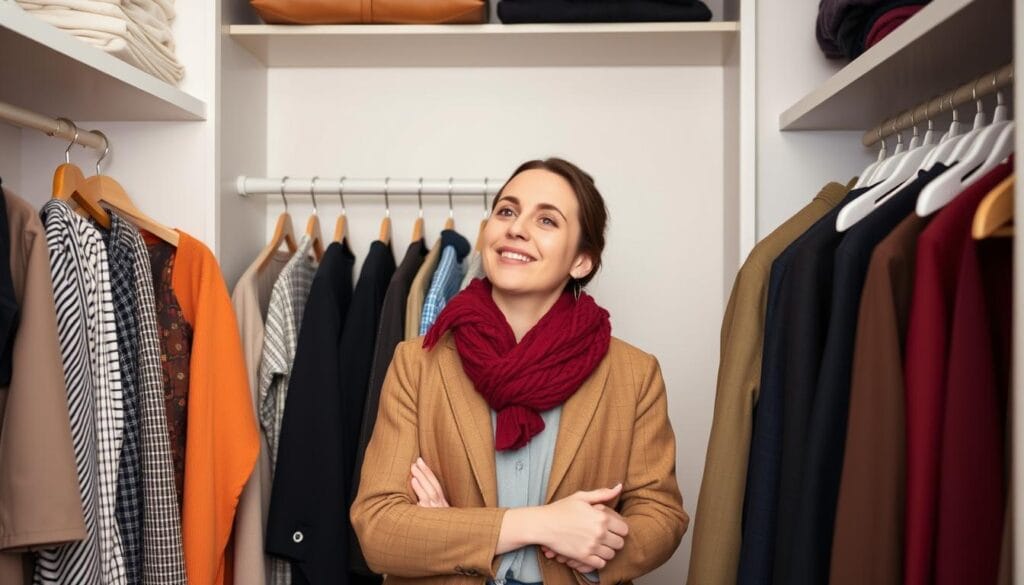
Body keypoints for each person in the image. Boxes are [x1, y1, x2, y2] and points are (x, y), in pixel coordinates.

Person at [351, 158, 688, 585]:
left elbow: (661, 514)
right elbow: (379, 529)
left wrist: (592, 548)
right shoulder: (417, 363)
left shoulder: (634, 374)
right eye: (507, 211)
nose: (515, 227)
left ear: (581, 261)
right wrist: (542, 526)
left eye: (546, 220)